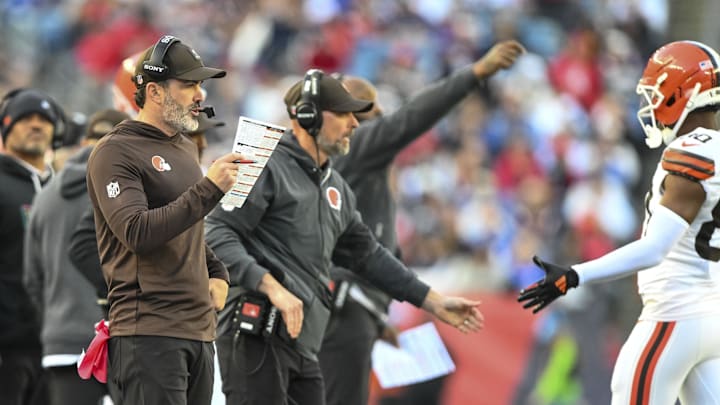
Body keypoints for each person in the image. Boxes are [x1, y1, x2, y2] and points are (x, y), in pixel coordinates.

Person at [205, 69, 483, 405]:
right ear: (307, 116)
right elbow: (215, 232)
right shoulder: (260, 160)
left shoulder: (335, 186)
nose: (354, 124)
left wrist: (433, 301)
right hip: (255, 331)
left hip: (302, 341)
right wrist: (270, 285)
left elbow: (368, 255)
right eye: (343, 114)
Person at [318, 39, 525, 405]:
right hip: (347, 304)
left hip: (355, 307)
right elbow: (411, 118)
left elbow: (370, 249)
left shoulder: (364, 175)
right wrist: (474, 74)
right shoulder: (356, 148)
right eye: (369, 107)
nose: (380, 113)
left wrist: (381, 319)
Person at [517, 40, 720, 404]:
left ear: (681, 94)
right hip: (711, 316)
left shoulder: (690, 154)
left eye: (657, 93)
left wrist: (575, 274)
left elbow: (655, 249)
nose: (651, 104)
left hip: (672, 317)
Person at [84, 35, 245, 405]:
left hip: (198, 331)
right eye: (189, 84)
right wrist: (209, 188)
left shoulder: (186, 148)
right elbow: (137, 232)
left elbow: (185, 230)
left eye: (201, 85)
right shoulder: (114, 151)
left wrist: (217, 271)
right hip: (149, 333)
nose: (200, 95)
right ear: (154, 92)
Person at [22, 108, 129, 405]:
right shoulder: (126, 191)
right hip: (122, 338)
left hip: (62, 342)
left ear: (84, 142)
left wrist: (56, 319)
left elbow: (33, 279)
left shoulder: (44, 197)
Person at [0, 87, 65, 405]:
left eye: (44, 119)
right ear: (7, 127)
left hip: (56, 345)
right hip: (7, 346)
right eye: (26, 118)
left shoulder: (65, 191)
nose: (36, 125)